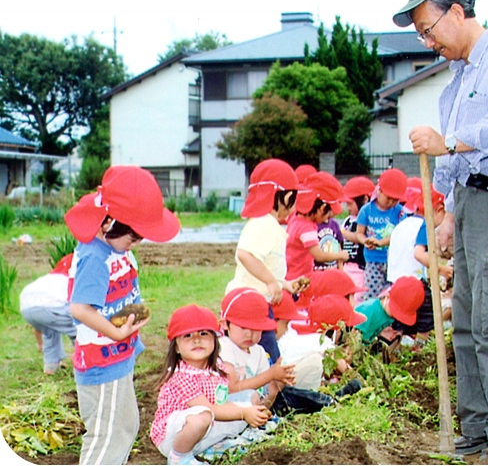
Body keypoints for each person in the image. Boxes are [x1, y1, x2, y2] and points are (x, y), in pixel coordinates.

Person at [393, 0, 488, 453]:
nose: (426, 41)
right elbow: (455, 161)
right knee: (470, 320)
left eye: (428, 29)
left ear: (456, 12)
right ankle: (477, 430)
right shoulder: (455, 82)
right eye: (420, 34)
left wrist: (450, 141)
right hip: (472, 203)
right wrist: (450, 217)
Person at [64, 165, 180, 465]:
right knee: (109, 433)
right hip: (103, 362)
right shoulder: (94, 257)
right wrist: (116, 332)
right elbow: (79, 308)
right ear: (110, 223)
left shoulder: (115, 249)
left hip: (117, 355)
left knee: (124, 426)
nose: (137, 243)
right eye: (134, 236)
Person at [151, 304, 271, 465]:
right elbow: (211, 408)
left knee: (250, 397)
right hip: (174, 437)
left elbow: (221, 402)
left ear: (215, 340)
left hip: (207, 428)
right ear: (177, 347)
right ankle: (179, 457)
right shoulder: (181, 375)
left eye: (203, 333)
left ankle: (213, 445)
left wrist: (248, 410)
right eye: (187, 336)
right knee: (203, 416)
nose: (196, 340)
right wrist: (243, 413)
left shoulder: (217, 368)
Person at [218, 288, 358, 417]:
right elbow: (233, 388)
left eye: (256, 328)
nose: (249, 334)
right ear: (225, 324)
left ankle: (327, 401)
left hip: (256, 407)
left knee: (287, 395)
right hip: (231, 409)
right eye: (243, 327)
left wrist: (277, 384)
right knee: (287, 398)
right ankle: (328, 401)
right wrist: (270, 375)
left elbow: (266, 396)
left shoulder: (258, 351)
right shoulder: (225, 348)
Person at [225, 158, 307, 363]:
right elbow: (245, 254)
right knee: (268, 355)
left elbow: (266, 263)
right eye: (293, 197)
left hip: (258, 302)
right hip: (249, 304)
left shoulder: (270, 224)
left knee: (262, 354)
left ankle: (268, 388)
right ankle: (273, 391)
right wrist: (271, 281)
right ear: (284, 195)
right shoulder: (264, 223)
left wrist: (284, 284)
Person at [387, 184, 453, 349]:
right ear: (438, 210)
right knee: (426, 316)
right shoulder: (425, 225)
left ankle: (393, 349)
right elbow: (419, 254)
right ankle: (420, 347)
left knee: (400, 319)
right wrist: (441, 269)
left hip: (395, 280)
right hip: (414, 281)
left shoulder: (403, 224)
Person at [285, 172, 349, 281]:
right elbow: (319, 255)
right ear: (322, 208)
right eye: (328, 215)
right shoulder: (306, 228)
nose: (327, 219)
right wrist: (340, 255)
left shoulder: (295, 218)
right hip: (299, 280)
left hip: (291, 277)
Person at [355, 168, 407, 301]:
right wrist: (365, 241)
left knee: (392, 296)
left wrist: (381, 242)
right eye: (388, 198)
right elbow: (359, 233)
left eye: (395, 200)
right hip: (373, 260)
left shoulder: (400, 212)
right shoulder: (367, 210)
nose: (391, 203)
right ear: (379, 191)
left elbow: (400, 235)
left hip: (393, 261)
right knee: (373, 297)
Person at [20, 253, 76, 375]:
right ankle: (84, 363)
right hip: (50, 304)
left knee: (49, 331)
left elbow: (38, 325)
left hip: (26, 305)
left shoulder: (50, 278)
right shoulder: (71, 281)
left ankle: (51, 366)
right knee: (80, 329)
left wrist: (40, 344)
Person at [353, 276, 425, 353]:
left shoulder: (387, 313)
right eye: (395, 311)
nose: (396, 317)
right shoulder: (368, 310)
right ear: (387, 296)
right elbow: (352, 336)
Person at [340, 176, 376, 303]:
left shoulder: (368, 221)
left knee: (357, 301)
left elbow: (358, 237)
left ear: (365, 199)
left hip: (360, 270)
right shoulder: (348, 220)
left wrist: (343, 233)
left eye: (350, 203)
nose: (348, 208)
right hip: (346, 267)